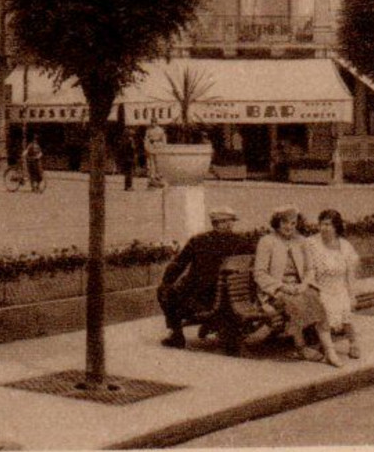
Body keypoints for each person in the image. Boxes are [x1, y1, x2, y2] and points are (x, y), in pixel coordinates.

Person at [253, 207, 340, 366]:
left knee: (315, 298)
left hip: (298, 287)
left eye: (293, 223)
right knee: (295, 302)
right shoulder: (267, 241)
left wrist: (304, 284)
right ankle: (301, 347)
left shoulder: (301, 241)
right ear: (277, 223)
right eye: (285, 222)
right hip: (274, 290)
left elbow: (309, 269)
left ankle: (329, 350)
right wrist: (282, 287)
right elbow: (259, 273)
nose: (289, 227)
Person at [157, 208, 251, 347]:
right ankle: (212, 324)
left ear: (214, 223)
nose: (230, 225)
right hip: (236, 296)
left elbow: (178, 265)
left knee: (165, 291)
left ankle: (176, 335)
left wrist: (166, 282)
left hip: (201, 299)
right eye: (229, 222)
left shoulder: (198, 241)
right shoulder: (243, 241)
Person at [308, 209, 361, 361]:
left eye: (328, 225)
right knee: (325, 308)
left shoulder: (344, 245)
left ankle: (353, 343)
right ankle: (328, 348)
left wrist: (352, 295)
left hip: (340, 287)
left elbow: (350, 274)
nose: (324, 228)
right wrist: (315, 290)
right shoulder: (312, 243)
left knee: (346, 311)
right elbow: (308, 270)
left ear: (336, 227)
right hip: (320, 287)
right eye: (322, 224)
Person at [144, 122, 167, 187]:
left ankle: (158, 175)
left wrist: (163, 146)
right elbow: (146, 139)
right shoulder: (148, 130)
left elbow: (164, 139)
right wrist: (146, 146)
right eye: (152, 122)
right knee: (151, 162)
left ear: (156, 123)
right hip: (151, 146)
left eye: (154, 122)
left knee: (158, 162)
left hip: (158, 146)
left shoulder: (160, 130)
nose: (153, 124)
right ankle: (151, 176)